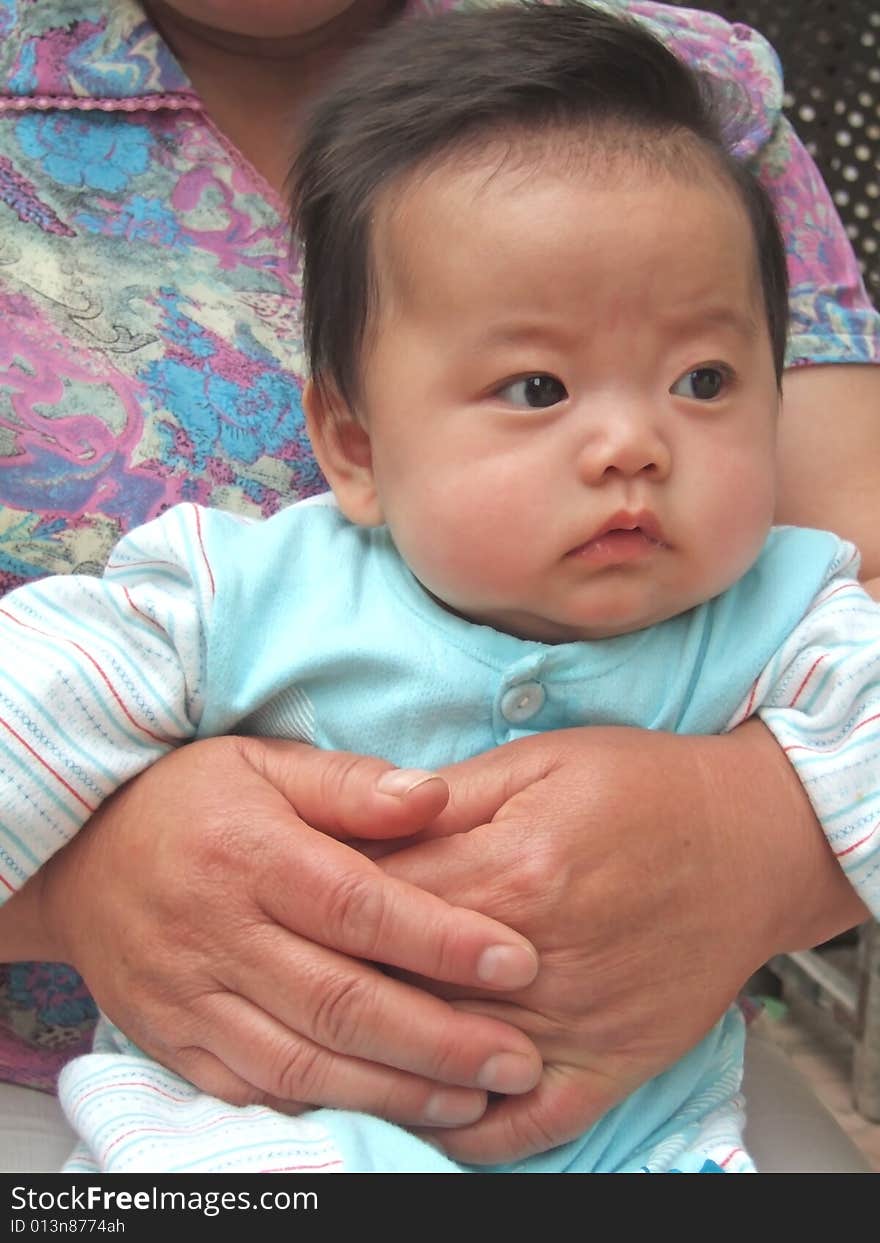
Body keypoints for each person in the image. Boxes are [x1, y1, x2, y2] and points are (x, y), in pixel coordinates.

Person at [2, 1, 879, 1174]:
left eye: (704, 377)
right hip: (249, 1126)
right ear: (355, 448)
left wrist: (761, 832)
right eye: (535, 388)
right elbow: (27, 708)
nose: (633, 443)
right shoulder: (233, 599)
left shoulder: (788, 619)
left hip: (633, 1135)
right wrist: (75, 883)